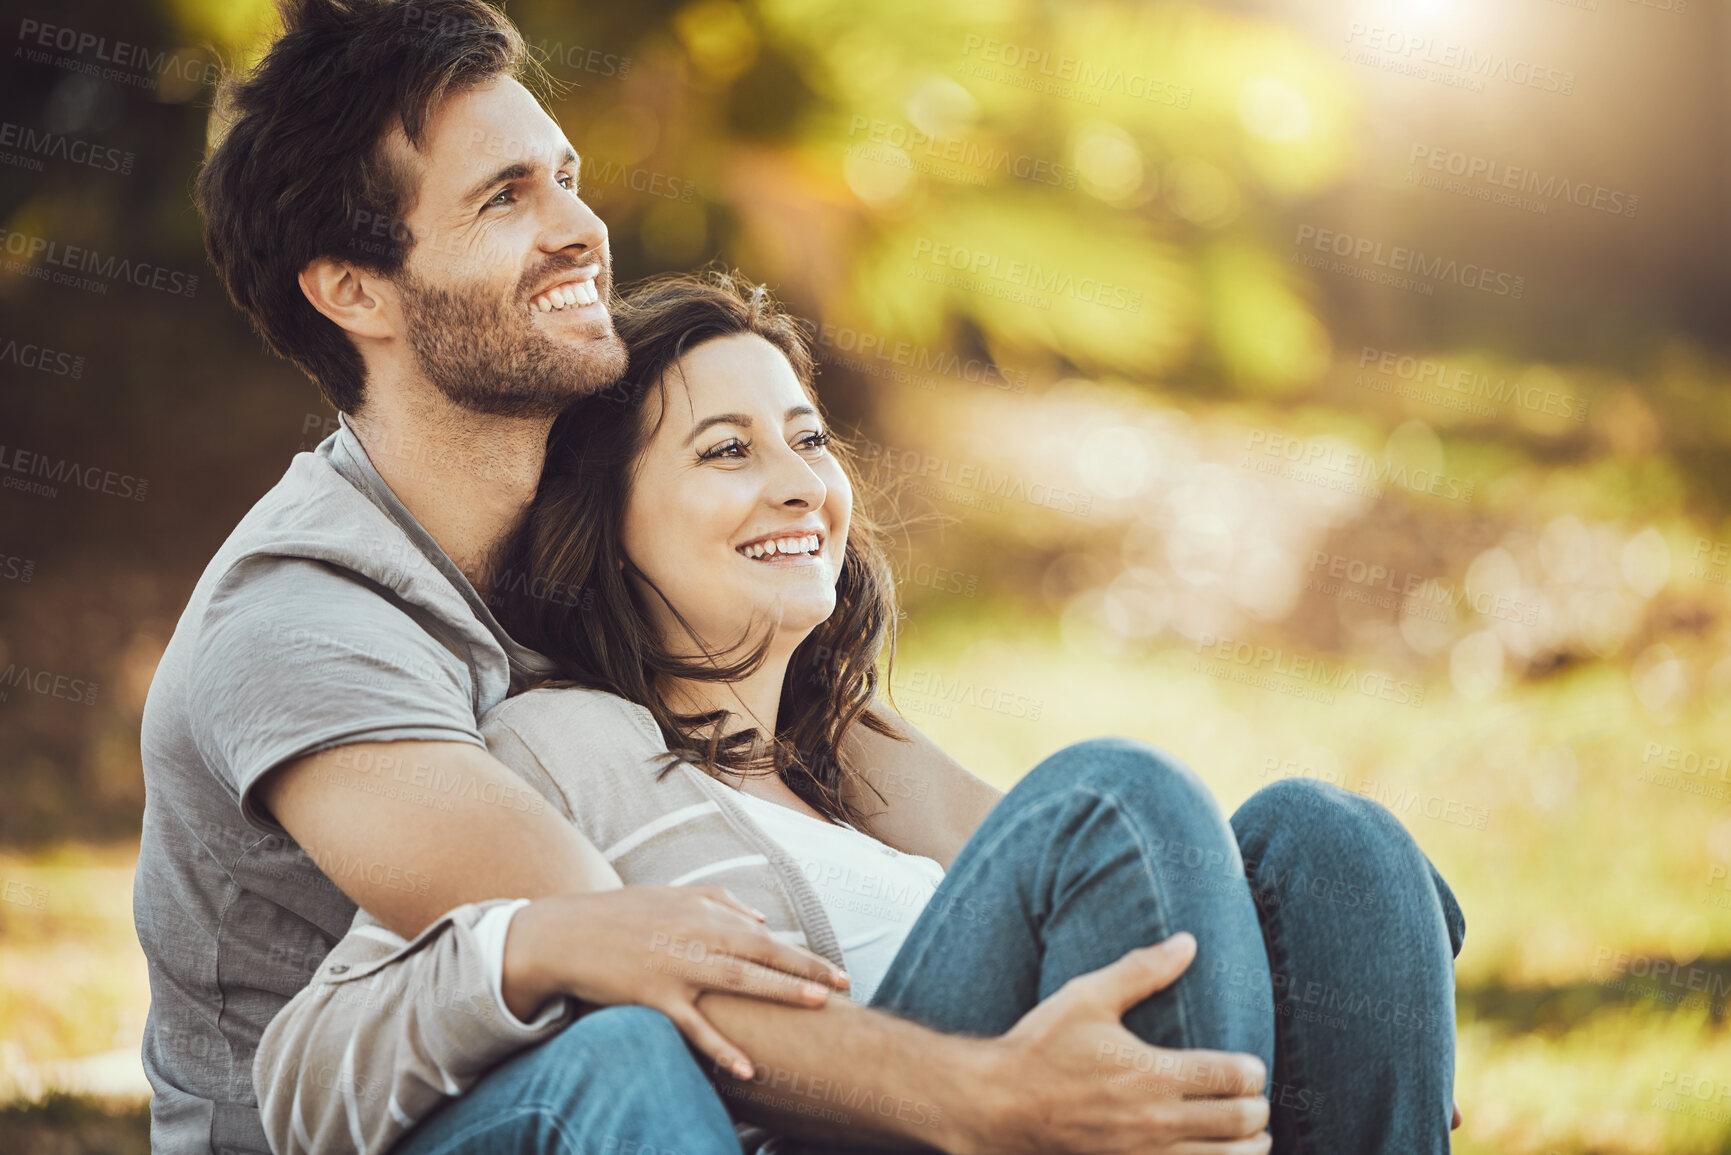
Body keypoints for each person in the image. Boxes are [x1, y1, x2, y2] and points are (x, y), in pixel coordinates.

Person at [137, 1, 1338, 1152]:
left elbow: (930, 799)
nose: (579, 229)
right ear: (353, 289)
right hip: (447, 1115)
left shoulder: (576, 533)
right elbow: (633, 952)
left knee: (1309, 847)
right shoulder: (304, 616)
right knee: (634, 1053)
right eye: (506, 198)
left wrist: (1304, 957)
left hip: (667, 1077)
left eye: (566, 176)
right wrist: (980, 1098)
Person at [254, 270, 1468, 1155]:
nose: (798, 481)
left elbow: (1183, 882)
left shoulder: (852, 761)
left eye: (808, 437)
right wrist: (544, 950)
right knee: (1118, 795)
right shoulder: (557, 744)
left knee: (1331, 840)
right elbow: (309, 1072)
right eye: (724, 452)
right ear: (604, 523)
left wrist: (1370, 983)